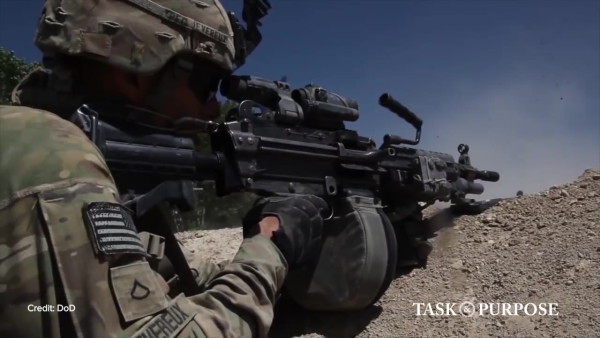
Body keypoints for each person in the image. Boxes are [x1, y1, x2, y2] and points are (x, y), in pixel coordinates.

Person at [0, 0, 327, 337]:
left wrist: (247, 271)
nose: (213, 106)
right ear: (132, 68)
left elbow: (150, 277)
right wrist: (269, 249)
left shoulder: (32, 145)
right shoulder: (55, 157)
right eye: (206, 83)